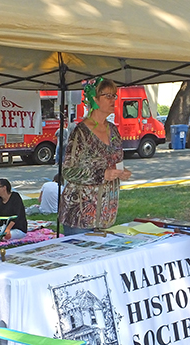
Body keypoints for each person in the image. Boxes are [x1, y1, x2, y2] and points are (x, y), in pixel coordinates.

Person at [59, 77, 132, 236]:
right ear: (94, 98)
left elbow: (115, 161)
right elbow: (68, 171)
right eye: (108, 96)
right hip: (80, 216)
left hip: (106, 216)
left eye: (114, 96)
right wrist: (102, 174)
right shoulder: (81, 132)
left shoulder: (113, 130)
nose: (113, 100)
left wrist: (120, 171)